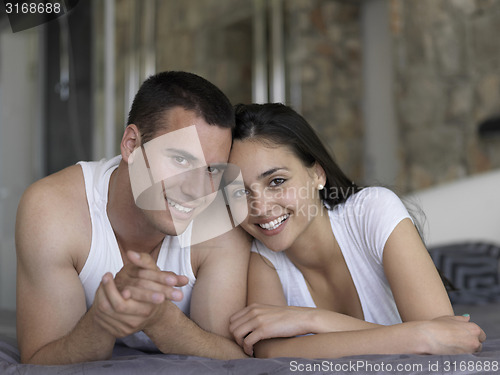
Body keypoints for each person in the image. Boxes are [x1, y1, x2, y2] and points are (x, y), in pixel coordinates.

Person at [15, 71, 251, 365]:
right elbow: (39, 361)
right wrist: (102, 321)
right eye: (180, 160)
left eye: (212, 171)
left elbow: (234, 362)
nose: (197, 191)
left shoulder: (221, 219)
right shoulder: (52, 209)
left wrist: (162, 319)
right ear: (131, 145)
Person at [228, 103, 486, 358]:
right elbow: (270, 352)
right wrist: (419, 337)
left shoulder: (372, 211)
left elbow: (451, 343)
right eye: (240, 192)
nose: (259, 207)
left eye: (277, 181)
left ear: (317, 174)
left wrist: (311, 320)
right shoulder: (260, 253)